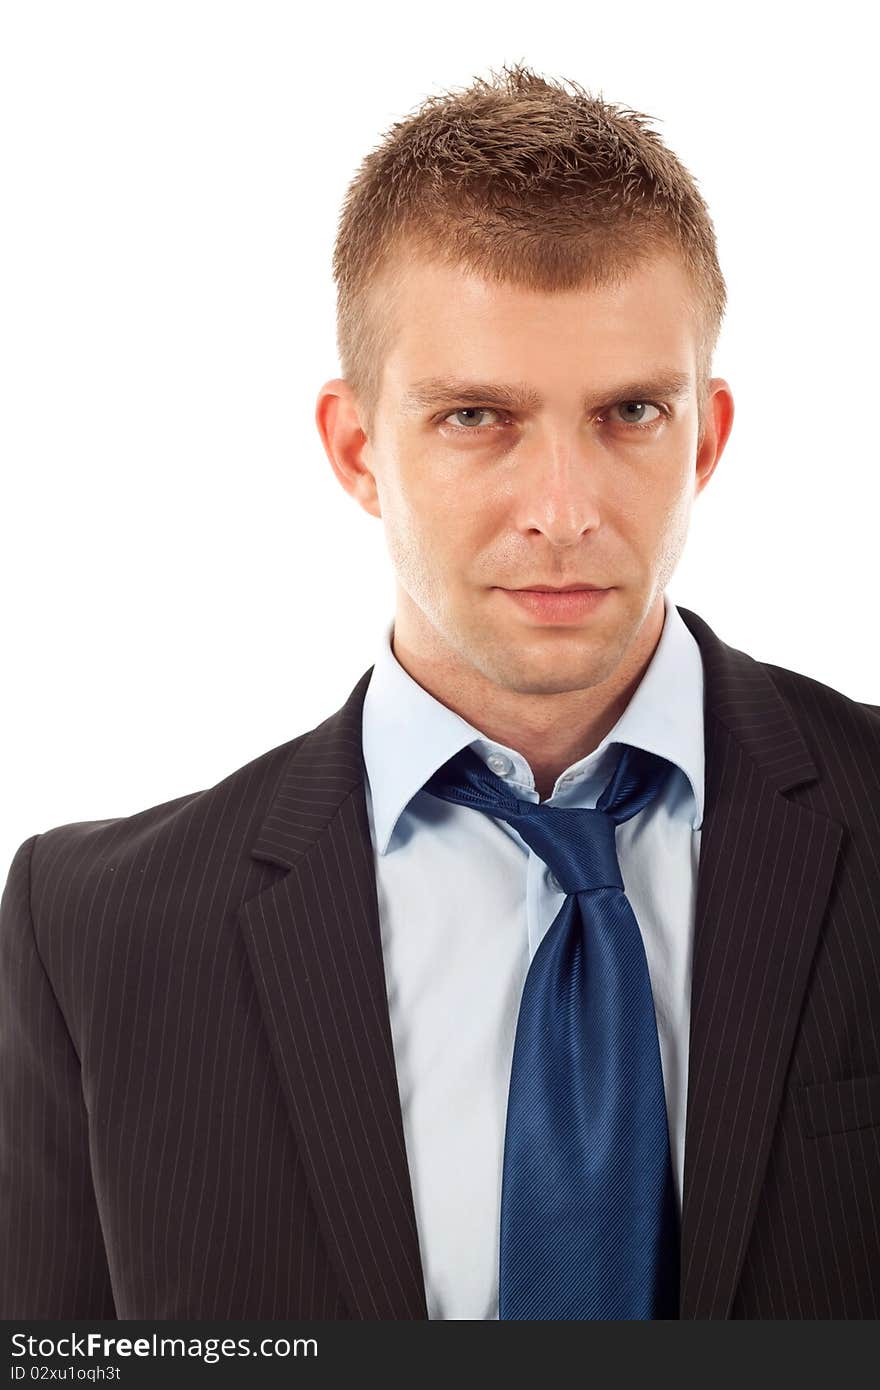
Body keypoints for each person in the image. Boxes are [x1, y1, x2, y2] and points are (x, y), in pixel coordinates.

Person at [1, 62, 878, 1323]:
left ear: (705, 437)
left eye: (630, 410)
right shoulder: (95, 932)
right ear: (359, 448)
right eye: (478, 416)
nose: (564, 513)